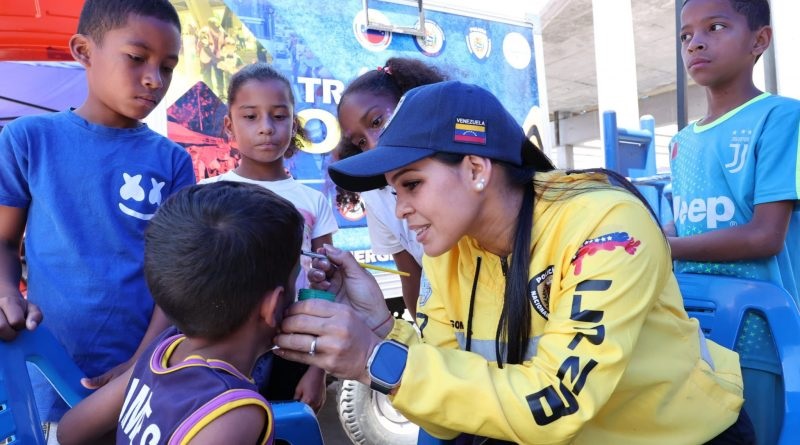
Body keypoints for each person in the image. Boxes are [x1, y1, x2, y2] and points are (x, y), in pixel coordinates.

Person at [275, 81, 753, 444]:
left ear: (477, 169)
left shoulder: (606, 227)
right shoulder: (451, 247)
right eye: (394, 190)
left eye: (412, 184)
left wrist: (374, 359)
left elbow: (556, 403)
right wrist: (378, 324)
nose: (400, 209)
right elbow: (445, 409)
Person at [0, 0, 195, 432]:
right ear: (84, 51)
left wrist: (143, 360)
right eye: (137, 58)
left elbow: (178, 277)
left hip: (144, 378)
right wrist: (7, 294)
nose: (154, 79)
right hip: (46, 365)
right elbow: (3, 241)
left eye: (167, 66)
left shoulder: (173, 161)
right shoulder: (28, 141)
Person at [57, 181, 304, 444]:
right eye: (296, 279)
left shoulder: (163, 351)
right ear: (274, 306)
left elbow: (70, 431)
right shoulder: (234, 412)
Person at [666, 0, 800, 442]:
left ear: (759, 40)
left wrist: (665, 247)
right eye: (686, 36)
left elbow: (765, 236)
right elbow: (681, 228)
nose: (696, 42)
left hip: (758, 336)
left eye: (716, 26)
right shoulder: (681, 141)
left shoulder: (781, 118)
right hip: (689, 335)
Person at [200, 62, 337, 412]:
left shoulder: (312, 201)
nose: (266, 128)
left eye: (278, 116)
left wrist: (316, 371)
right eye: (251, 117)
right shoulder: (205, 196)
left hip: (294, 347)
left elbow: (327, 291)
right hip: (221, 349)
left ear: (293, 123)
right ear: (229, 125)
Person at [335, 57, 447, 316]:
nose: (373, 144)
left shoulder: (450, 169)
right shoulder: (375, 196)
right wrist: (423, 338)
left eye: (376, 122)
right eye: (361, 141)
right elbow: (410, 275)